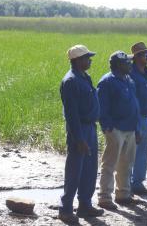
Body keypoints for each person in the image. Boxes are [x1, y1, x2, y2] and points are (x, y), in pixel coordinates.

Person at [59, 45, 104, 224]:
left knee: (90, 169)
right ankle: (65, 209)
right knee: (74, 171)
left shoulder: (85, 77)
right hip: (79, 130)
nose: (90, 60)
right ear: (77, 60)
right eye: (87, 57)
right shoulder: (70, 81)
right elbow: (71, 114)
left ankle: (85, 205)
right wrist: (79, 138)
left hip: (90, 128)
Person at [97, 50, 140, 210]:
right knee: (109, 163)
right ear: (118, 65)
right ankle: (104, 197)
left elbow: (135, 106)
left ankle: (123, 194)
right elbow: (102, 108)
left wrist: (137, 128)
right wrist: (108, 128)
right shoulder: (107, 81)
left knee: (127, 163)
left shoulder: (129, 79)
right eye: (127, 62)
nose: (130, 64)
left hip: (130, 128)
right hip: (115, 129)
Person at [130, 42, 147, 197]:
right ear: (136, 57)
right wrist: (136, 123)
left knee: (144, 151)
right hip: (136, 117)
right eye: (145, 54)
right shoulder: (131, 73)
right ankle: (127, 184)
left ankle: (138, 183)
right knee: (132, 151)